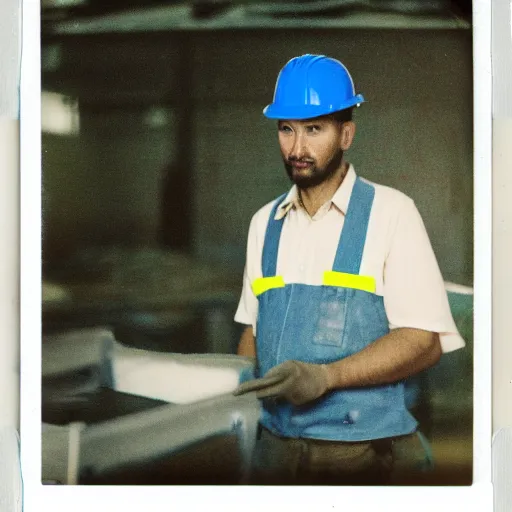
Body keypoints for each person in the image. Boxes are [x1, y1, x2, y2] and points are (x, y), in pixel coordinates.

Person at [232, 54, 465, 485]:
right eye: (286, 129)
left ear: (346, 134)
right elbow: (253, 331)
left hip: (367, 458)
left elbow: (423, 342)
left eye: (314, 129)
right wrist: (243, 404)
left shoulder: (392, 213)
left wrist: (326, 376)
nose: (297, 149)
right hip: (275, 455)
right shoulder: (265, 222)